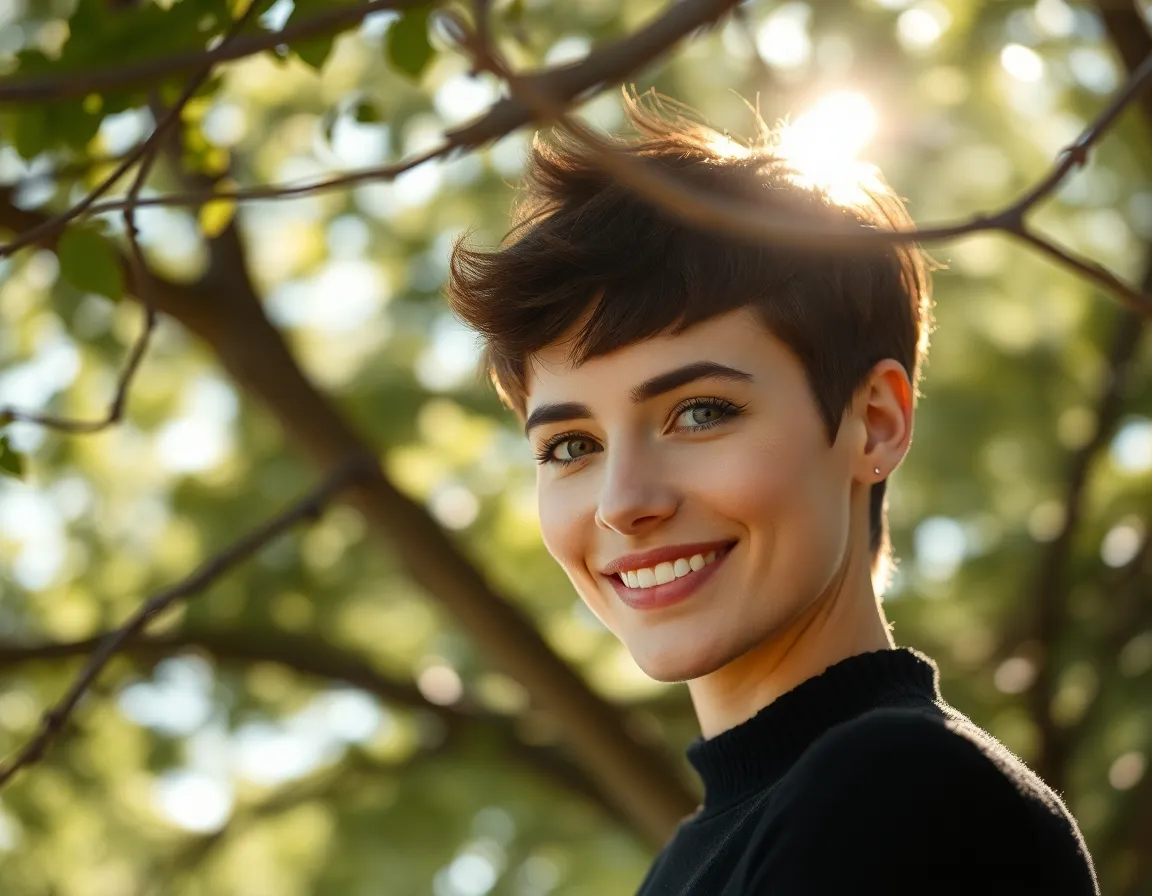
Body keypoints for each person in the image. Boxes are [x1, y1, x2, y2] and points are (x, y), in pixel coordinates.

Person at [445, 88, 1099, 895]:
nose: (623, 501)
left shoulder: (901, 789)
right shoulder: (692, 858)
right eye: (571, 445)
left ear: (875, 422)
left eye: (699, 413)